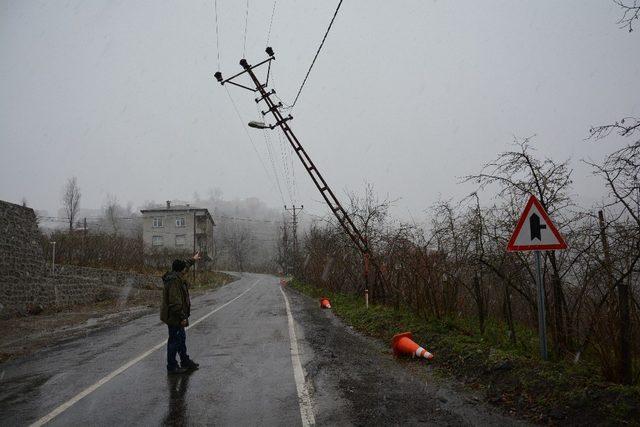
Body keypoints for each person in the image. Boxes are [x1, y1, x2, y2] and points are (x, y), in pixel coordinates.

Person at [160, 251, 201, 374]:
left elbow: (185, 265)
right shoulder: (174, 281)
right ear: (180, 270)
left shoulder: (177, 275)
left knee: (181, 339)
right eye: (184, 269)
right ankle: (172, 366)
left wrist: (193, 259)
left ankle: (184, 361)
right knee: (174, 341)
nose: (186, 270)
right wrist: (182, 317)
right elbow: (175, 303)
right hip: (174, 317)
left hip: (177, 316)